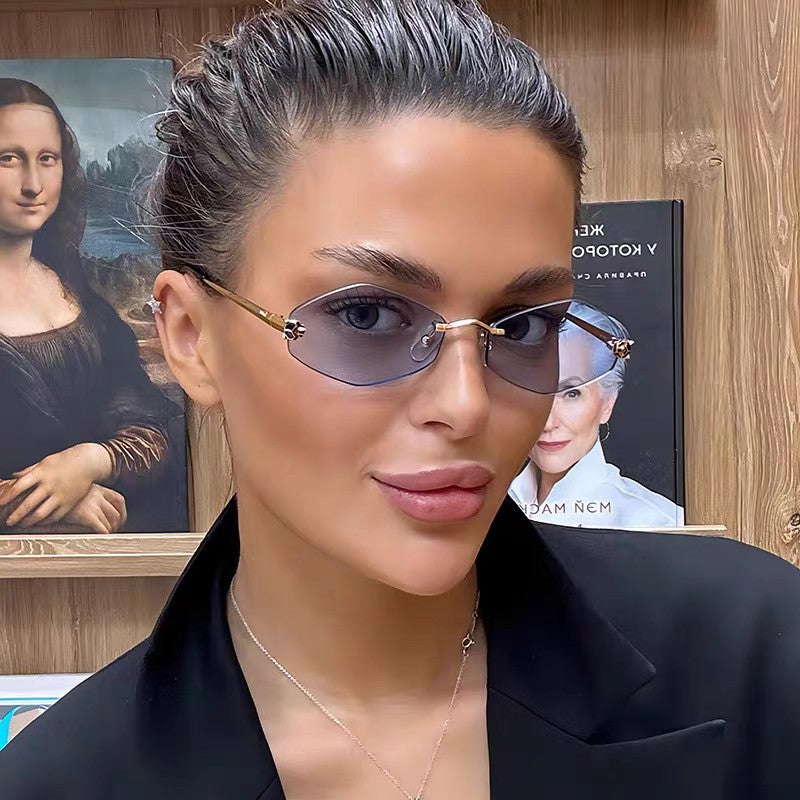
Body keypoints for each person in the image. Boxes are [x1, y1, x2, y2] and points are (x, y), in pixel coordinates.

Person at [0, 1, 798, 798]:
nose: (468, 404)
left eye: (523, 325)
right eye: (367, 316)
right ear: (189, 336)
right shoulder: (61, 783)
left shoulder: (759, 655)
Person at [0, 78, 185, 534]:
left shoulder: (78, 299)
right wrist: (48, 503)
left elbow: (151, 430)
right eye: (8, 159)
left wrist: (89, 461)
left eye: (47, 159)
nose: (32, 185)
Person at [508, 305, 685, 529]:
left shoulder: (658, 523)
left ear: (607, 404)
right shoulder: (490, 508)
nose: (548, 423)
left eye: (571, 393)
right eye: (533, 392)